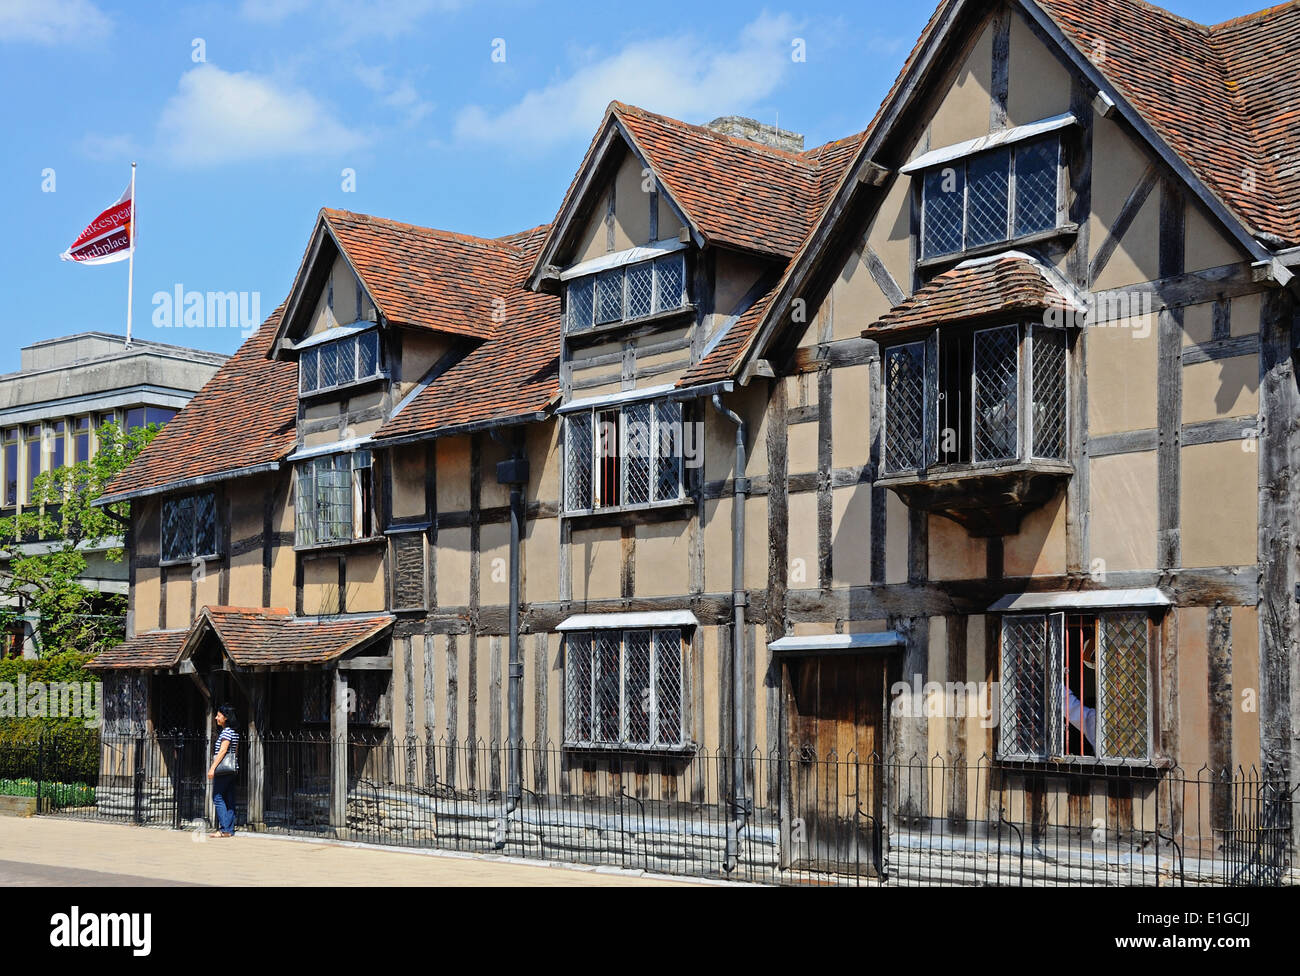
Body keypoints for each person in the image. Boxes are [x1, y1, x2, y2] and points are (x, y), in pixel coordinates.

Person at [206, 703, 239, 837]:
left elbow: (223, 750)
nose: (216, 718)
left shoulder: (226, 732)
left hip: (223, 770)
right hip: (232, 769)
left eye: (219, 716)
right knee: (229, 799)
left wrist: (212, 768)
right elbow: (235, 752)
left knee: (217, 797)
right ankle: (229, 830)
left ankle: (224, 829)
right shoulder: (235, 732)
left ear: (225, 717)